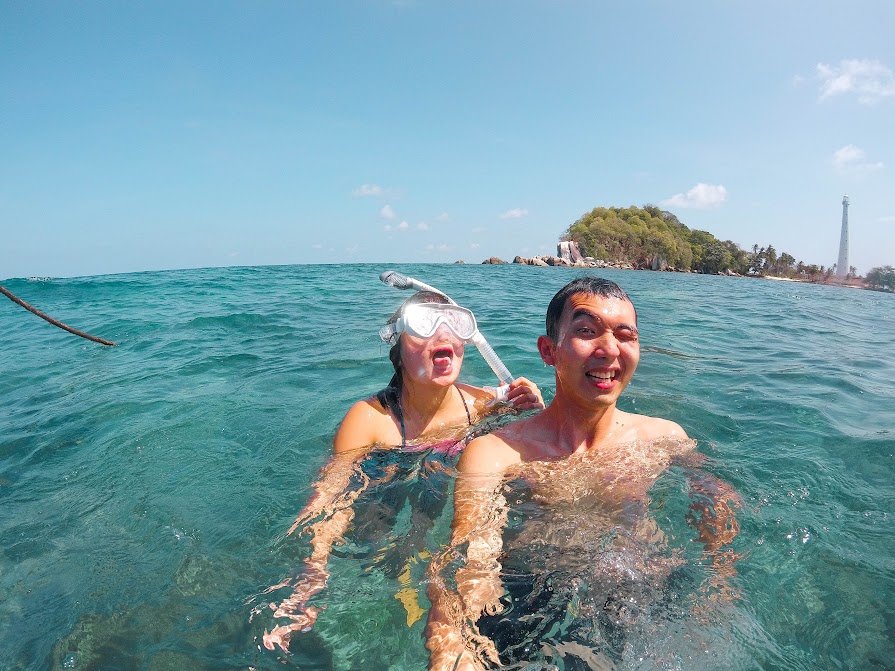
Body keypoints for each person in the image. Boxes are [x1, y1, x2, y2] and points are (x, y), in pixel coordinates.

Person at [425, 277, 741, 670]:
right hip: (534, 601)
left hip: (645, 589)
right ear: (549, 351)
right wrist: (453, 642)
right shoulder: (495, 454)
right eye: (587, 331)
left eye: (626, 336)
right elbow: (471, 557)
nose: (609, 350)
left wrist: (720, 578)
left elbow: (714, 494)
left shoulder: (665, 437)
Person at [260, 289, 544, 653]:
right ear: (398, 351)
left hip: (445, 486)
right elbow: (332, 496)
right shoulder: (370, 419)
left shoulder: (482, 403)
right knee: (380, 555)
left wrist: (529, 403)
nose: (443, 337)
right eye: (423, 328)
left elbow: (531, 428)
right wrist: (313, 569)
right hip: (385, 485)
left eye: (454, 328)